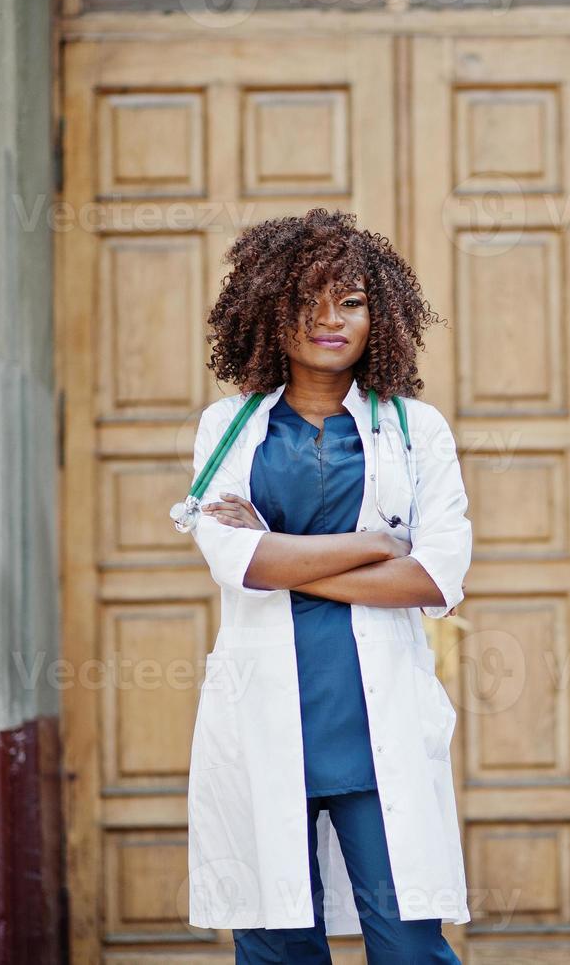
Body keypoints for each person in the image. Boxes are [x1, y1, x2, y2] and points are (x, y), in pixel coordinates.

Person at [183, 208, 470, 963]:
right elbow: (236, 562)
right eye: (308, 301)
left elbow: (433, 574)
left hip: (375, 728)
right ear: (269, 311)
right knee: (277, 946)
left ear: (382, 316)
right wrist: (375, 545)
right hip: (263, 717)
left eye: (351, 302)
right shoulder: (228, 428)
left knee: (409, 946)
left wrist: (287, 558)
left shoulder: (415, 428)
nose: (330, 320)